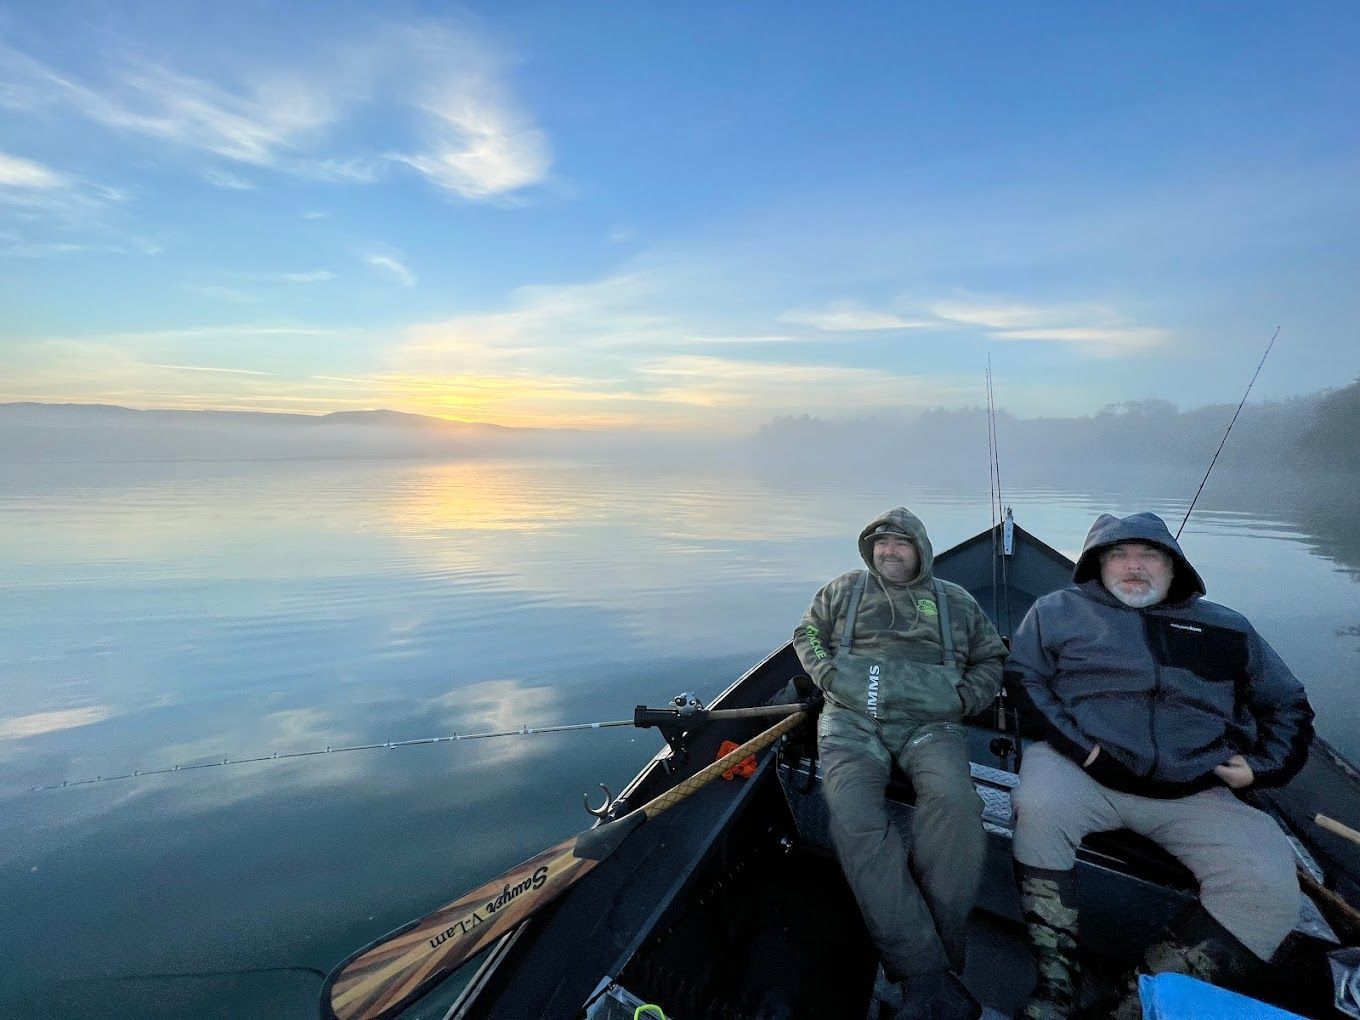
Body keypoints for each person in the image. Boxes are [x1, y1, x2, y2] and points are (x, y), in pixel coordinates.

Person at [1005, 512, 1314, 1020]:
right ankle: (1057, 984)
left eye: (1148, 555)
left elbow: (1288, 704)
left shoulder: (1229, 627)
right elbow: (1025, 681)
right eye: (1118, 555)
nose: (1133, 566)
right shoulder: (1056, 610)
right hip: (1082, 769)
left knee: (1270, 891)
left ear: (1174, 566)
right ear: (1098, 566)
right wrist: (1084, 751)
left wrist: (1263, 767)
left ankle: (1136, 1002)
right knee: (1037, 808)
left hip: (1197, 788)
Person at [793, 508, 1007, 1019]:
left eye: (900, 544)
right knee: (854, 818)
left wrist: (960, 700)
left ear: (921, 551)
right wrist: (828, 676)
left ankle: (939, 956)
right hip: (851, 721)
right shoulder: (842, 591)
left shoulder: (955, 601)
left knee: (957, 806)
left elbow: (991, 659)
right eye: (881, 543)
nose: (889, 551)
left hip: (929, 724)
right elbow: (807, 634)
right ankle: (924, 971)